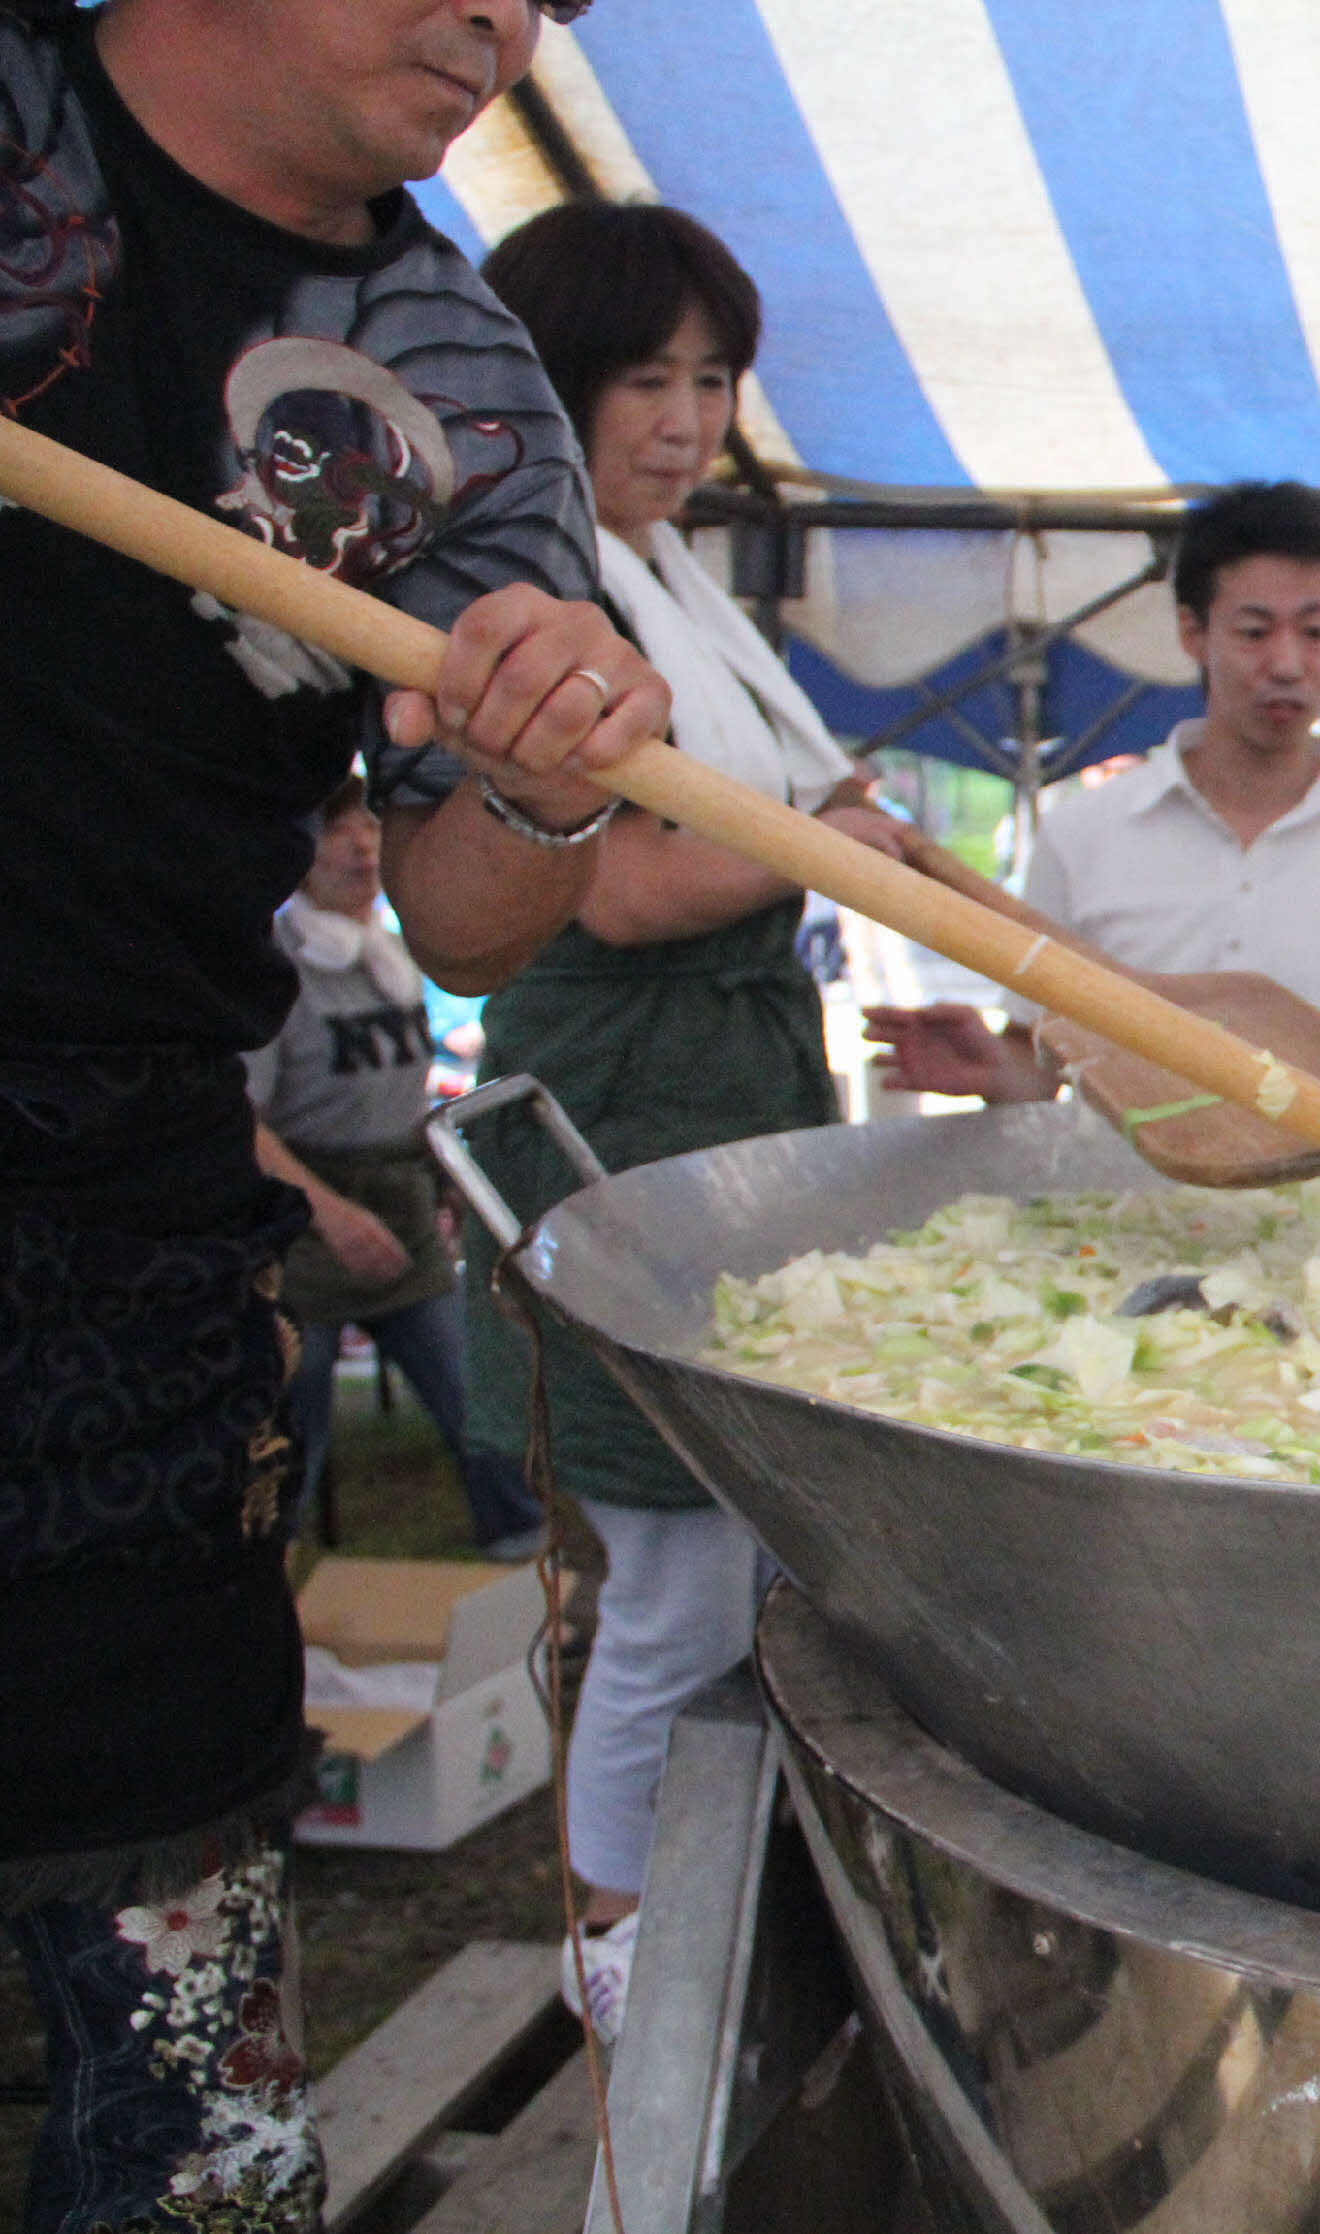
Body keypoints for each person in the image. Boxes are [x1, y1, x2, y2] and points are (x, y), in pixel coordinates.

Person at [0, 0, 667, 2222]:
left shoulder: (456, 384)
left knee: (186, 2072)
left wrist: (547, 777)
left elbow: (470, 916)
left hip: (119, 1231)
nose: (503, 15)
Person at [463, 199, 909, 2043]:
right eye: (641, 375)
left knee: (733, 1550)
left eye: (710, 377)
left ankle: (708, 1896)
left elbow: (834, 817)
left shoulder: (672, 575)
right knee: (665, 1569)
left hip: (729, 1077)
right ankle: (623, 1948)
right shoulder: (538, 581)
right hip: (625, 1089)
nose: (684, 415)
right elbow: (620, 889)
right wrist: (827, 852)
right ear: (548, 379)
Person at [860, 480, 1320, 1101]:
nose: (1287, 664)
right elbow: (1037, 1060)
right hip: (1112, 1194)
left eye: (1314, 631)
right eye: (1254, 632)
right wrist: (992, 1069)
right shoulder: (1083, 836)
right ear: (1192, 632)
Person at [248, 776, 545, 1560]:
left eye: (372, 831)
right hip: (304, 1219)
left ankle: (520, 1542)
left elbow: (398, 1092)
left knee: (470, 1391)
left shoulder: (391, 955)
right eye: (337, 833)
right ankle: (272, 1575)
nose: (360, 848)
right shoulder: (274, 967)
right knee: (288, 1424)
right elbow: (239, 1119)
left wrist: (440, 1170)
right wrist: (328, 1215)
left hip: (400, 1204)